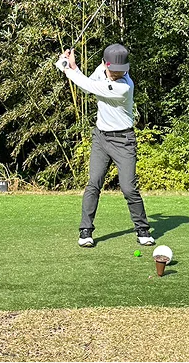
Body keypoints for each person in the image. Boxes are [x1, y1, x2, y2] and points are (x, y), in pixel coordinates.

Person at [56, 43, 155, 248]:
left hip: (124, 141)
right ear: (105, 64)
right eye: (114, 70)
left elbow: (90, 87)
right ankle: (85, 231)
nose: (118, 74)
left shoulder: (124, 87)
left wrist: (66, 68)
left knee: (128, 188)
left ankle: (142, 230)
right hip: (101, 138)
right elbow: (87, 85)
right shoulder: (102, 71)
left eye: (121, 70)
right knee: (94, 183)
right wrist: (73, 67)